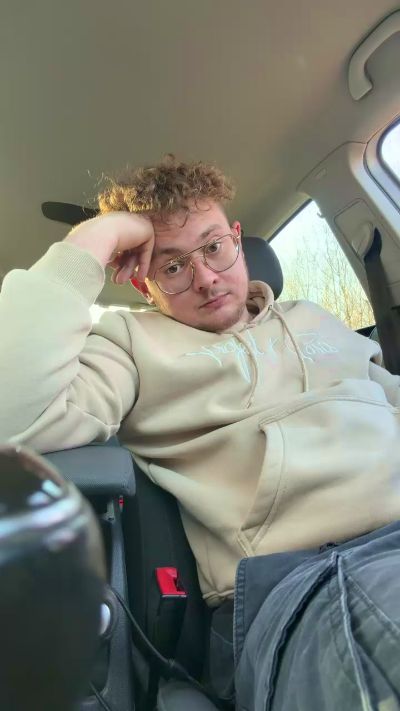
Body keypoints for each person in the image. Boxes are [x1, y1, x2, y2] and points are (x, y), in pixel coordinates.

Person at [2, 154, 400, 710]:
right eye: (173, 267)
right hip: (311, 578)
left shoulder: (313, 316)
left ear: (237, 238)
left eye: (213, 247)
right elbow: (14, 416)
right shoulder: (130, 344)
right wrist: (100, 235)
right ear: (144, 286)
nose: (207, 278)